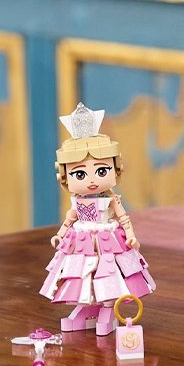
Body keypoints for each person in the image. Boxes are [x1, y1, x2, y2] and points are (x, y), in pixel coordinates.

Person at [41, 103, 156, 336]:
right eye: (80, 173)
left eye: (101, 171)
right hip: (81, 240)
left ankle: (106, 308)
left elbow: (124, 219)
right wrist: (60, 234)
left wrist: (131, 236)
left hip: (108, 238)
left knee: (108, 272)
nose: (92, 180)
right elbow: (69, 220)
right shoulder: (76, 201)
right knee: (82, 274)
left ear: (116, 168)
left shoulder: (112, 199)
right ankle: (86, 306)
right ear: (64, 176)